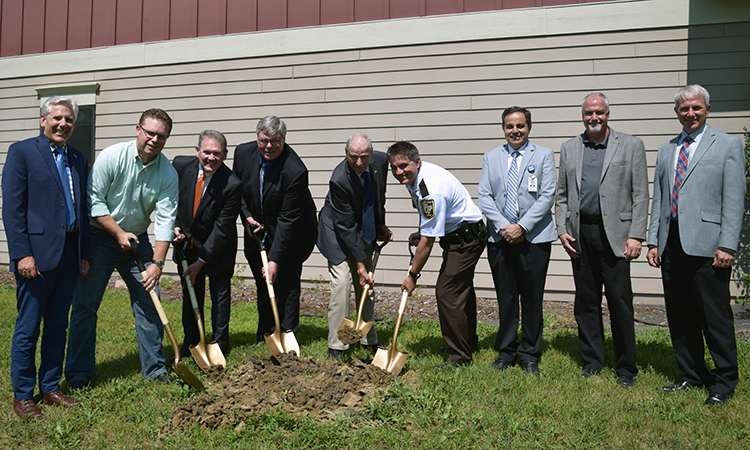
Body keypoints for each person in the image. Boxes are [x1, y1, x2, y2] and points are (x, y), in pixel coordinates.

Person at [65, 108, 179, 387]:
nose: (154, 139)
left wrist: (158, 264)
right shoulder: (112, 157)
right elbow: (93, 201)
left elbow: (165, 220)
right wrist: (117, 232)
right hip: (100, 236)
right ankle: (79, 374)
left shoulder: (168, 173)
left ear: (166, 139)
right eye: (149, 132)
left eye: (160, 136)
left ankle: (154, 370)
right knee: (85, 306)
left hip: (137, 241)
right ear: (137, 129)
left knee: (149, 304)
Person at [647, 85, 745, 406]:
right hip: (671, 243)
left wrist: (727, 245)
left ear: (707, 109)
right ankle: (692, 373)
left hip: (708, 245)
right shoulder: (666, 149)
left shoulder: (728, 144)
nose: (690, 113)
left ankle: (725, 379)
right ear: (676, 112)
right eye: (684, 108)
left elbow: (733, 200)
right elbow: (660, 198)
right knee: (680, 313)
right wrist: (653, 241)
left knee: (713, 314)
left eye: (696, 108)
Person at [3, 96, 91, 418]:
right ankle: (23, 396)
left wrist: (83, 254)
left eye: (68, 119)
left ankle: (51, 387)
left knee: (58, 325)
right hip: (36, 257)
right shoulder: (23, 152)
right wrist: (22, 254)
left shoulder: (79, 159)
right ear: (43, 120)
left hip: (69, 252)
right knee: (29, 326)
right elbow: (12, 209)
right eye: (57, 118)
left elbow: (82, 210)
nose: (63, 124)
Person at [555, 92, 648, 387]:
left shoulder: (631, 145)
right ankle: (593, 361)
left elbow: (640, 194)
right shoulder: (570, 147)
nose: (594, 117)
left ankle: (626, 368)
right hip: (580, 234)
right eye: (588, 113)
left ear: (608, 114)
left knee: (620, 302)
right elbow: (561, 195)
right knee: (586, 302)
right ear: (582, 115)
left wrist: (636, 235)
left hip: (616, 236)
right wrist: (561, 229)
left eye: (599, 112)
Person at [387, 141, 486, 366]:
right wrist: (421, 231)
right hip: (457, 237)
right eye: (394, 168)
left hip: (466, 239)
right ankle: (467, 342)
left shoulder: (430, 188)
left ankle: (460, 356)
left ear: (417, 162)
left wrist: (412, 276)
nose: (399, 172)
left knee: (448, 292)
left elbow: (428, 242)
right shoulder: (416, 179)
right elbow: (429, 222)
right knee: (461, 289)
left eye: (403, 165)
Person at [478, 106, 556, 375]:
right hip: (500, 238)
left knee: (532, 298)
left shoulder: (544, 155)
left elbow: (547, 196)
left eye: (520, 126)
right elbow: (485, 196)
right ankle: (506, 350)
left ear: (529, 127)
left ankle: (530, 352)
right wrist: (504, 227)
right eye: (510, 126)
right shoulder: (491, 157)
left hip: (534, 238)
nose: (515, 131)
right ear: (503, 128)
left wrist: (522, 227)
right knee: (506, 296)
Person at [232, 116, 317, 344]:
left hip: (294, 232)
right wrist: (247, 217)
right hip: (257, 230)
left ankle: (288, 334)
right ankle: (266, 331)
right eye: (264, 140)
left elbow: (288, 219)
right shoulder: (242, 154)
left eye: (275, 141)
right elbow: (236, 191)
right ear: (257, 137)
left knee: (287, 283)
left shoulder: (295, 170)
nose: (269, 146)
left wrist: (274, 259)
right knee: (263, 283)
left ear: (283, 139)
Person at [317, 133, 390, 360]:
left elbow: (378, 196)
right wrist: (358, 263)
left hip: (364, 226)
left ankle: (369, 339)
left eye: (364, 157)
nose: (359, 162)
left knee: (366, 285)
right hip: (337, 231)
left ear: (371, 153)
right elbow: (345, 225)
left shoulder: (381, 163)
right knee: (342, 283)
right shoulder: (339, 179)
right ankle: (337, 346)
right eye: (353, 157)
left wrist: (380, 224)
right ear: (346, 153)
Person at [172, 130, 242, 357]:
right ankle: (191, 342)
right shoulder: (181, 166)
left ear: (225, 155)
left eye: (217, 153)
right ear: (197, 151)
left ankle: (220, 344)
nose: (211, 158)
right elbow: (169, 200)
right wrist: (174, 226)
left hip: (218, 247)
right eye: (207, 152)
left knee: (220, 295)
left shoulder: (232, 184)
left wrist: (201, 262)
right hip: (187, 246)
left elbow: (223, 228)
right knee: (191, 294)